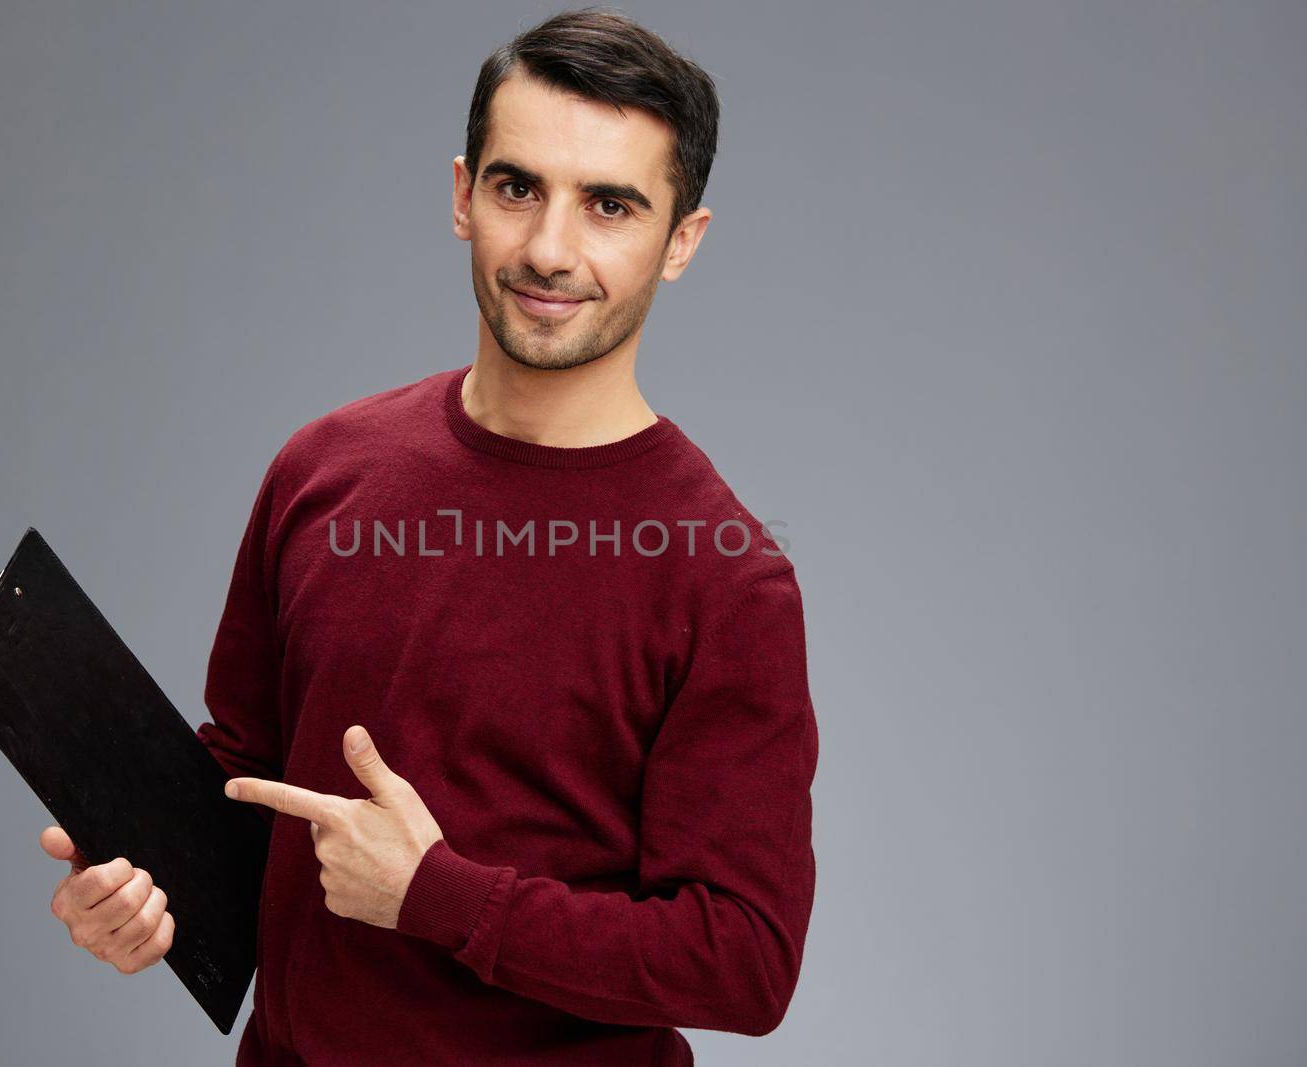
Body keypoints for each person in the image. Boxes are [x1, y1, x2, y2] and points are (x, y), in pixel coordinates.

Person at [43, 9, 818, 1064]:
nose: (550, 248)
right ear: (463, 194)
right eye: (516, 187)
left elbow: (743, 958)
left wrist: (438, 895)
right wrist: (143, 885)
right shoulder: (321, 469)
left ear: (681, 239)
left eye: (609, 205)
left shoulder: (724, 579)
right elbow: (250, 776)